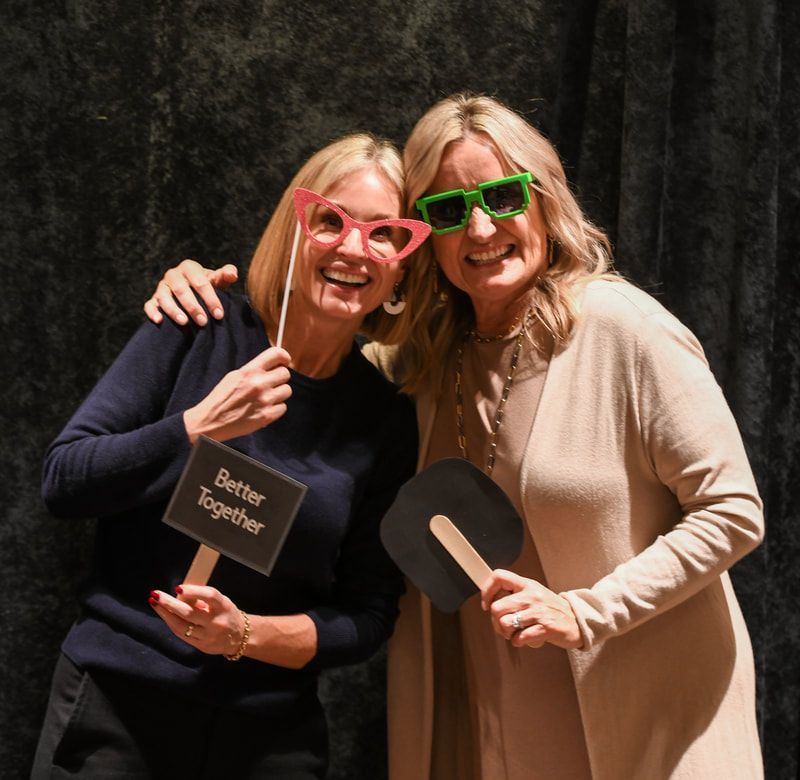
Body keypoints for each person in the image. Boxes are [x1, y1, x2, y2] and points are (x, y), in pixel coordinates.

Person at [145, 94, 765, 779]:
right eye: (446, 211)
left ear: (543, 199)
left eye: (501, 196)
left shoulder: (624, 328)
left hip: (646, 720)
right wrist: (208, 300)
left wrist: (588, 612)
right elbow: (315, 354)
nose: (479, 228)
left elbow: (733, 510)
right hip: (501, 725)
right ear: (424, 239)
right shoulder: (424, 362)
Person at [33, 133, 428, 779]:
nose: (355, 248)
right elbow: (65, 480)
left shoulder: (384, 419)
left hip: (269, 737)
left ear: (403, 268)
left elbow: (368, 614)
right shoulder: (199, 325)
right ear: (294, 230)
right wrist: (197, 426)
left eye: (384, 233)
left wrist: (244, 634)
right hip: (118, 707)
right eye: (332, 220)